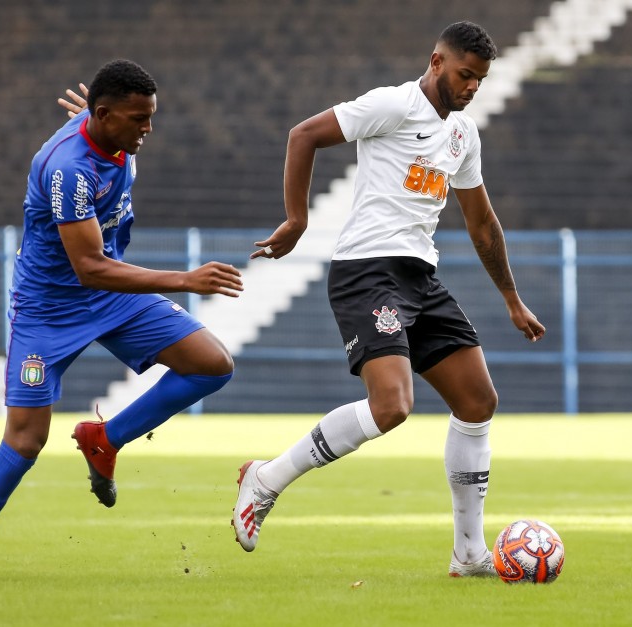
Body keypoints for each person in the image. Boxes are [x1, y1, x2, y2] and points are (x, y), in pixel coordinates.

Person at [233, 21, 545, 577]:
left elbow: (482, 224)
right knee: (392, 407)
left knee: (478, 401)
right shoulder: (392, 106)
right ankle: (266, 478)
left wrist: (511, 299)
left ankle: (469, 554)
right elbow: (303, 135)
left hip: (420, 278)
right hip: (367, 272)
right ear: (436, 61)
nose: (472, 87)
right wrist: (297, 220)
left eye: (480, 79)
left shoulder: (462, 136)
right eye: (464, 74)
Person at [0, 59, 243, 578]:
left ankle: (106, 439)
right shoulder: (69, 169)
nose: (147, 128)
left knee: (212, 363)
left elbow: (101, 266)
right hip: (49, 310)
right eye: (137, 119)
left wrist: (100, 125)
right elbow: (88, 267)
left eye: (150, 117)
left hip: (111, 295)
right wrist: (184, 279)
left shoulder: (108, 136)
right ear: (104, 115)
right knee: (25, 440)